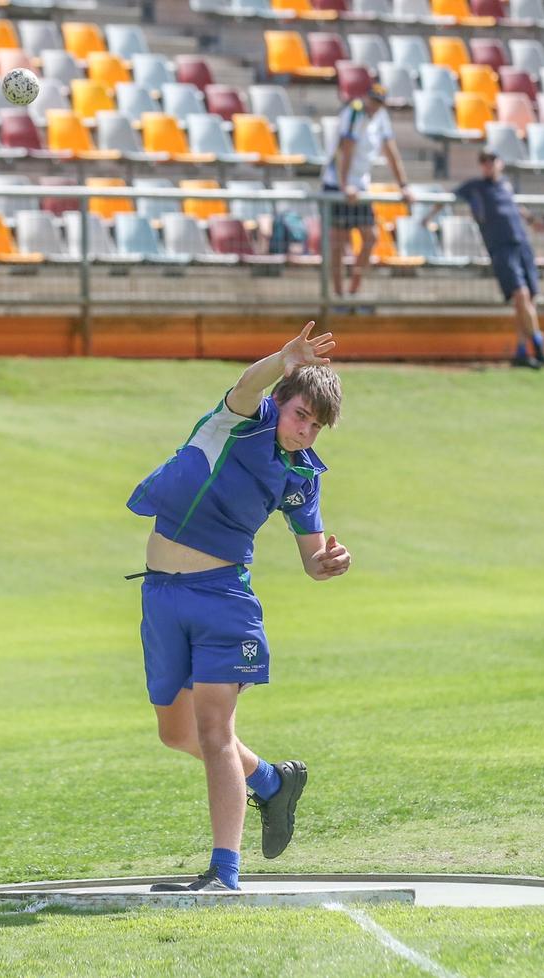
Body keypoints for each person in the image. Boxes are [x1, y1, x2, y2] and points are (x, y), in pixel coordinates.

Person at [126, 322, 352, 893]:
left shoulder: (301, 476)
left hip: (225, 601)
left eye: (317, 426)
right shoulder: (237, 423)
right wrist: (284, 358)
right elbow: (249, 383)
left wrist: (326, 563)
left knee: (212, 732)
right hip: (162, 596)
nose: (306, 431)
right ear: (281, 403)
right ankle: (272, 783)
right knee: (175, 733)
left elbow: (312, 556)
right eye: (301, 414)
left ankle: (224, 872)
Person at [423, 148, 544, 369]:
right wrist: (428, 217)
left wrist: (531, 221)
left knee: (529, 301)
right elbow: (446, 198)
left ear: (499, 163)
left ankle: (521, 352)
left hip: (522, 244)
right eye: (483, 161)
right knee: (521, 296)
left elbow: (516, 207)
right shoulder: (475, 187)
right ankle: (539, 345)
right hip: (501, 248)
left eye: (491, 160)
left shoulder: (506, 185)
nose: (487, 165)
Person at [322, 82, 412, 297]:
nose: (374, 106)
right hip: (338, 184)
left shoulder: (381, 118)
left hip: (360, 186)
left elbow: (391, 153)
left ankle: (354, 287)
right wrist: (345, 186)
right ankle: (337, 294)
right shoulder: (353, 113)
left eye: (379, 103)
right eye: (372, 101)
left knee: (370, 236)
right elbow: (345, 150)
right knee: (339, 242)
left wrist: (404, 185)